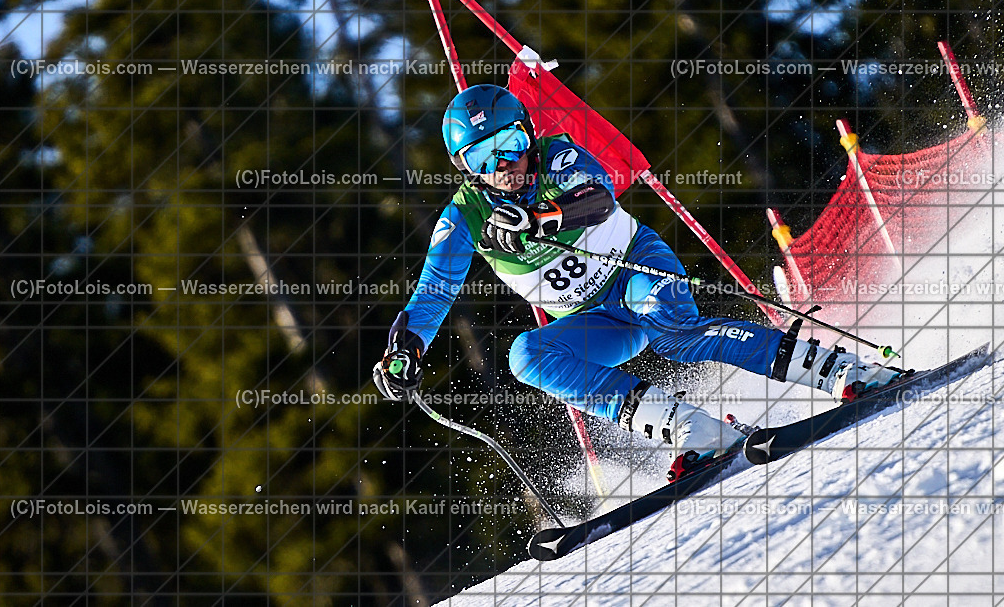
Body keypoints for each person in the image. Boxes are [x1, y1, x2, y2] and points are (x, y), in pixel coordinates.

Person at [372, 84, 906, 473]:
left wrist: (540, 218)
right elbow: (433, 291)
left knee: (677, 337)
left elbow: (599, 198)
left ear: (527, 134)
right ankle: (691, 429)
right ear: (467, 169)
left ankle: (843, 370)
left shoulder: (556, 154)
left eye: (509, 142)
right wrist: (406, 348)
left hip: (636, 268)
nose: (505, 164)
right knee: (526, 357)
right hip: (596, 320)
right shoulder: (463, 217)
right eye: (484, 156)